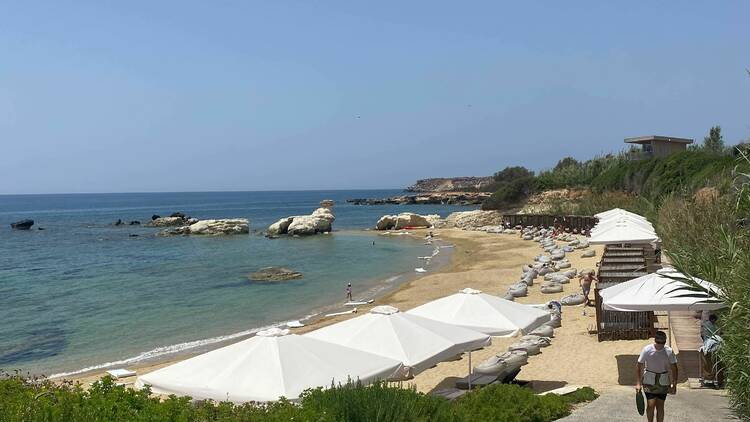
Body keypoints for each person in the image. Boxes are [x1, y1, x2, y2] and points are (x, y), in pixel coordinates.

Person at [635, 331, 678, 422]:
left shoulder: (669, 351)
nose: (660, 345)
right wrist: (638, 383)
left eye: (662, 343)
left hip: (663, 380)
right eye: (658, 342)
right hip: (649, 380)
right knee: (651, 404)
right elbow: (639, 365)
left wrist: (674, 384)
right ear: (655, 340)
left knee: (660, 405)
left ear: (665, 341)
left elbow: (674, 368)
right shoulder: (647, 350)